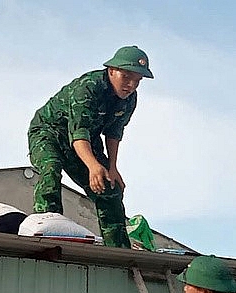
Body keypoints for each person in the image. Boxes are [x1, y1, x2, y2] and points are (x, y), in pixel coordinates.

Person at [27, 46, 154, 248]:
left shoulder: (129, 99)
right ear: (112, 70)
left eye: (137, 80)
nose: (131, 85)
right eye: (127, 77)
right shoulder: (88, 87)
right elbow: (79, 133)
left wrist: (112, 167)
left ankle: (118, 248)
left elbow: (114, 133)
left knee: (110, 186)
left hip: (87, 140)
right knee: (50, 171)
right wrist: (93, 166)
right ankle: (48, 232)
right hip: (50, 132)